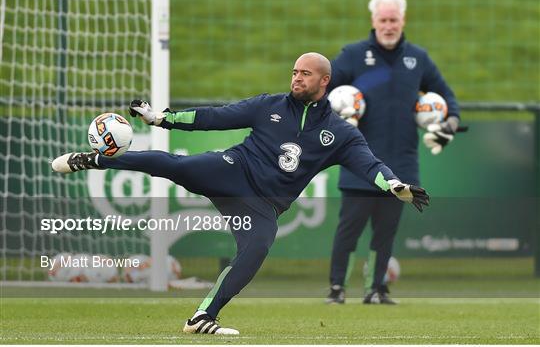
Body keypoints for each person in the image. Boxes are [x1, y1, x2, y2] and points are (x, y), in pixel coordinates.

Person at [52, 52, 429, 335]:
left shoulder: (341, 134)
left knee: (258, 248)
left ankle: (202, 317)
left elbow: (369, 164)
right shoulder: (269, 105)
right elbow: (215, 116)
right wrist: (159, 118)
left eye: (305, 73)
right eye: (295, 71)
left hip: (264, 204)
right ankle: (97, 160)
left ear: (324, 81)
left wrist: (393, 185)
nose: (297, 78)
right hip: (233, 171)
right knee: (176, 165)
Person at [325, 0, 460, 305]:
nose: (388, 26)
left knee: (385, 233)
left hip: (401, 164)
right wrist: (336, 118)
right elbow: (323, 90)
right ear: (374, 21)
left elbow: (448, 100)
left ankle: (376, 289)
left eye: (394, 20)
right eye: (383, 20)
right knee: (348, 231)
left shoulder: (418, 58)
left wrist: (447, 129)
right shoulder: (353, 55)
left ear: (403, 21)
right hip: (359, 162)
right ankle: (337, 289)